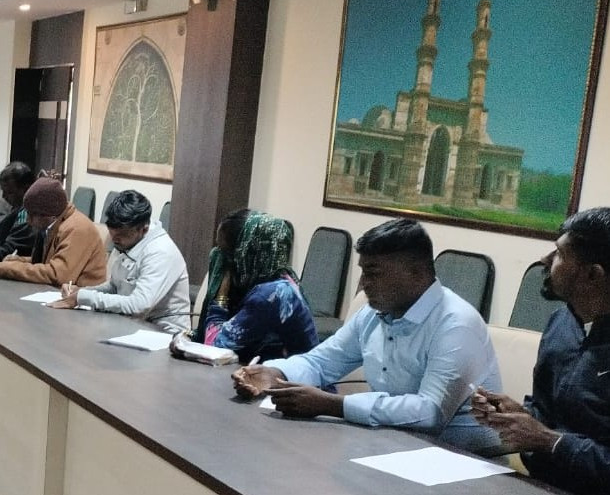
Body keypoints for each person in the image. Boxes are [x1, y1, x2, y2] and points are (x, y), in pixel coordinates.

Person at [231, 218, 503, 455]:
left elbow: (429, 413)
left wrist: (334, 405)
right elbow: (321, 362)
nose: (363, 284)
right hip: (392, 445)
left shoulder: (455, 324)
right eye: (363, 272)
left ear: (417, 272)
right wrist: (274, 374)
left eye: (373, 273)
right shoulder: (374, 313)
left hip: (463, 459)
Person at [472, 207, 610, 492]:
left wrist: (549, 441)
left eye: (559, 254)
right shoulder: (561, 323)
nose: (545, 260)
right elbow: (547, 412)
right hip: (537, 484)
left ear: (593, 275)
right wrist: (518, 416)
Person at [181, 209, 317, 363]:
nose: (217, 257)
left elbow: (214, 347)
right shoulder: (281, 278)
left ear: (246, 255)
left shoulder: (269, 296)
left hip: (287, 377)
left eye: (224, 252)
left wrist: (221, 293)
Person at [51, 190, 190, 331]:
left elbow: (139, 305)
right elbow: (115, 287)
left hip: (164, 333)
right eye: (112, 233)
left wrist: (85, 297)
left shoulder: (160, 252)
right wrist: (81, 291)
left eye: (121, 235)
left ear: (143, 229)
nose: (114, 240)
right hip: (132, 325)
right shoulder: (130, 242)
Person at [0, 178, 107, 287]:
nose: (28, 221)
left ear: (49, 215)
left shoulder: (76, 229)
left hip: (80, 298)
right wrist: (19, 261)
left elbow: (58, 274)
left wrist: (7, 269)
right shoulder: (56, 223)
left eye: (32, 215)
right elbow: (47, 262)